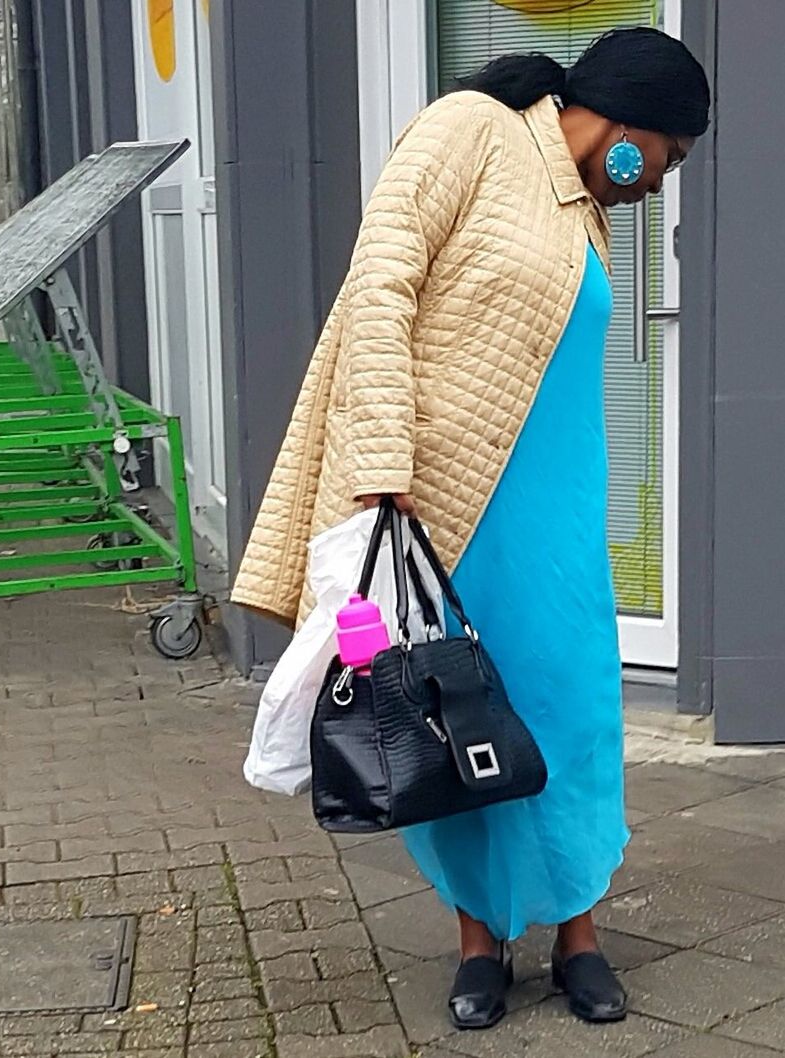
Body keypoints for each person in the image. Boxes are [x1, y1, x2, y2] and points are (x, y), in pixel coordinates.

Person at [232, 26, 710, 1032]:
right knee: (456, 717)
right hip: (454, 500)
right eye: (664, 157)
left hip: (561, 511)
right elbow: (378, 290)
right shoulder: (469, 132)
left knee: (570, 716)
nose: (659, 182)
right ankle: (477, 939)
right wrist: (379, 464)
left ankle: (576, 932)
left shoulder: (588, 209)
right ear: (629, 124)